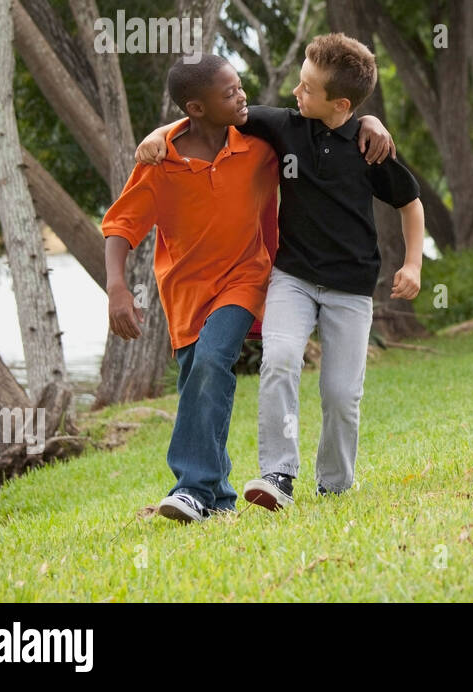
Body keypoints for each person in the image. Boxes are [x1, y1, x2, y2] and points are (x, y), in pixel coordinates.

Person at [136, 33, 423, 508]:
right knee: (280, 360)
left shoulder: (369, 147)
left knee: (340, 393)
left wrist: (412, 263)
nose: (295, 91)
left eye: (307, 87)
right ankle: (278, 475)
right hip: (291, 278)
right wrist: (160, 134)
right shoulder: (286, 127)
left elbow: (410, 203)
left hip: (351, 289)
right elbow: (211, 114)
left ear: (342, 102)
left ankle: (334, 483)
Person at [104, 54, 278, 522]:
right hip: (183, 292)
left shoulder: (259, 146)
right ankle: (217, 498)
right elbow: (122, 224)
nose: (242, 96)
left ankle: (193, 487)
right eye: (229, 93)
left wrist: (369, 121)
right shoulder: (161, 161)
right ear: (196, 109)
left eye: (241, 86)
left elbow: (318, 126)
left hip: (244, 277)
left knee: (212, 359)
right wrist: (117, 288)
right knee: (195, 379)